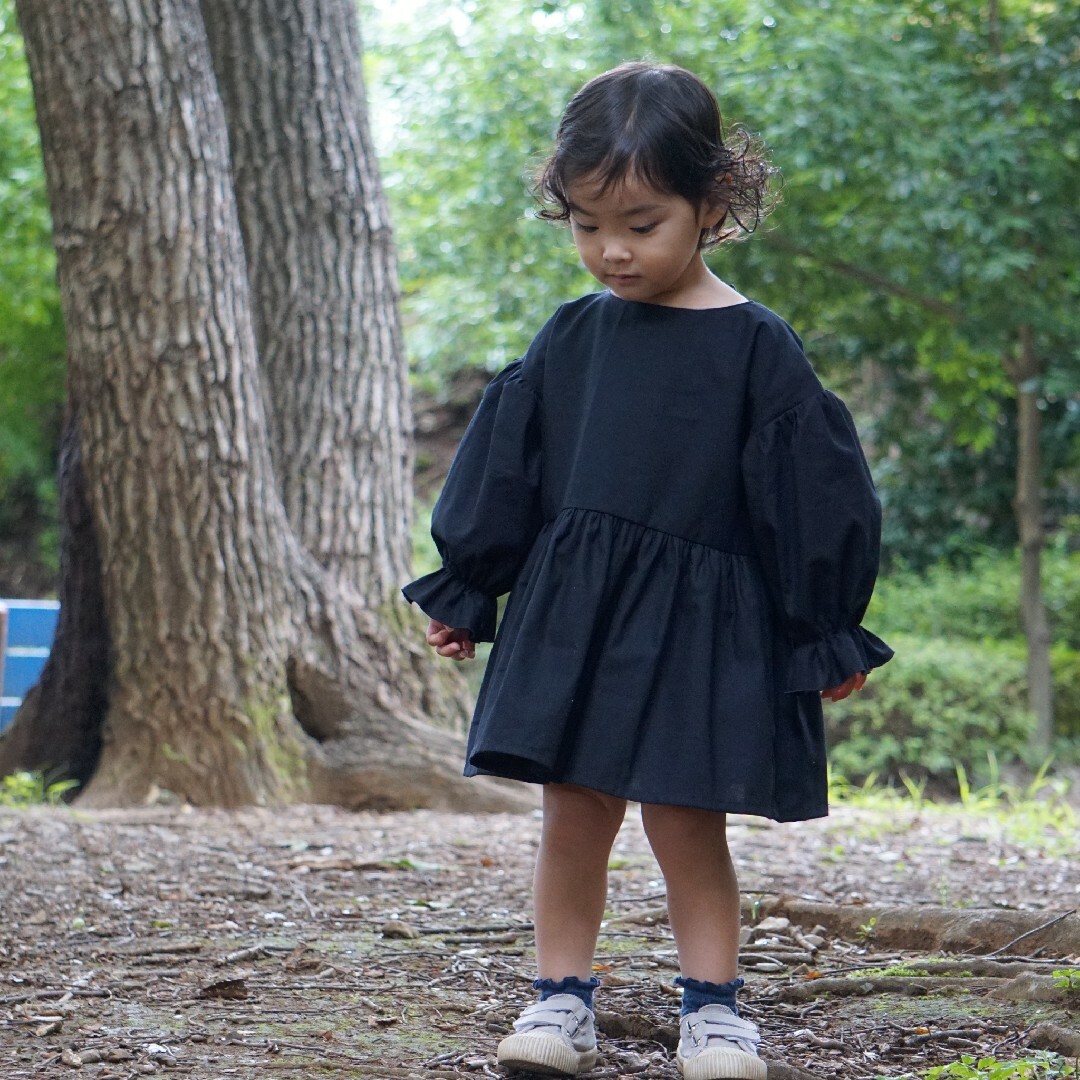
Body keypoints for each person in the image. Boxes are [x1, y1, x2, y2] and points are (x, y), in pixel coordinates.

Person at [403, 61, 892, 1080]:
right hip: (575, 618)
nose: (611, 249)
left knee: (686, 818)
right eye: (586, 224)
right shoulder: (572, 337)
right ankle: (558, 1002)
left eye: (640, 220)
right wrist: (470, 583)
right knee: (571, 813)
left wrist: (824, 627)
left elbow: (809, 497)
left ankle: (714, 1013)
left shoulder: (759, 349)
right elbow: (514, 467)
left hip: (700, 630)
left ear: (712, 207)